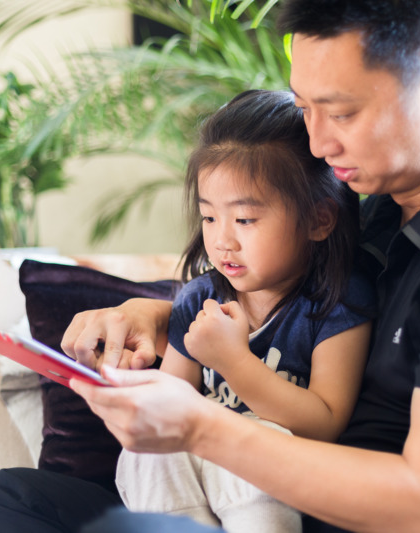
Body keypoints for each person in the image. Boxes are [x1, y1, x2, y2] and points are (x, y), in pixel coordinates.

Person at [0, 1, 420, 532]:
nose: (317, 141)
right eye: (306, 109)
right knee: (10, 501)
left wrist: (199, 425)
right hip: (299, 508)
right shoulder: (378, 207)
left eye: (341, 112)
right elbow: (286, 298)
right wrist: (160, 316)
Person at [115, 89, 374, 532]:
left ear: (319, 220)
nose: (222, 241)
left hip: (273, 475)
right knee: (149, 451)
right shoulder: (199, 299)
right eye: (209, 218)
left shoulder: (338, 302)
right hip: (197, 476)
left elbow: (324, 424)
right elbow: (171, 403)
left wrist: (233, 362)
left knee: (257, 441)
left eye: (245, 220)